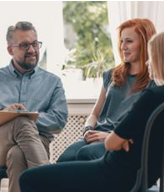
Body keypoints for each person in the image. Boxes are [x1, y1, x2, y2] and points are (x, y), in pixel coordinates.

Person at [19, 31, 164, 192]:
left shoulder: (151, 96)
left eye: (152, 57)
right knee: (65, 162)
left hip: (111, 172)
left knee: (28, 178)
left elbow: (111, 143)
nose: (148, 63)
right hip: (136, 174)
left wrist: (121, 137)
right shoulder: (157, 97)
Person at [0, 21, 68, 192]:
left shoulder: (52, 82)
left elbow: (59, 120)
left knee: (17, 154)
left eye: (35, 44)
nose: (32, 50)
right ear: (10, 50)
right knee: (20, 122)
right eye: (25, 45)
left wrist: (28, 116)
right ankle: (49, 183)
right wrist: (1, 114)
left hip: (38, 143)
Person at [58, 18, 156, 162]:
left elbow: (146, 127)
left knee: (85, 155)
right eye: (121, 41)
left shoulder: (154, 82)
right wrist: (87, 130)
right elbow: (94, 114)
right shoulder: (112, 75)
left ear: (145, 43)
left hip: (120, 139)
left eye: (129, 41)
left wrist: (110, 136)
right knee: (64, 159)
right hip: (95, 134)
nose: (123, 47)